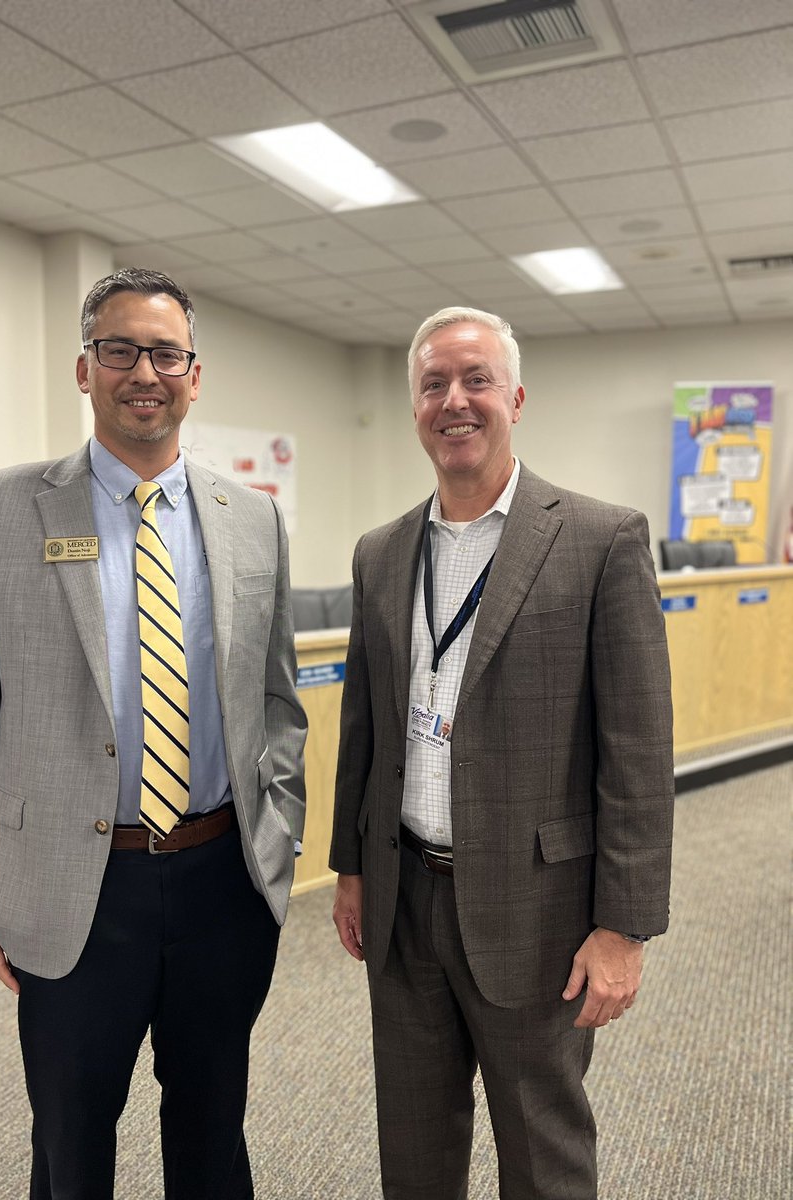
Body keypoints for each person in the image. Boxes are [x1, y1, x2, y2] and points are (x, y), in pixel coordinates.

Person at [0, 267, 307, 1200]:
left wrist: (279, 833)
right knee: (71, 1140)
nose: (146, 370)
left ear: (195, 372)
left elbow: (279, 700)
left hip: (224, 877)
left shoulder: (253, 518)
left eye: (166, 352)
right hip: (73, 884)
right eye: (120, 349)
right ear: (84, 369)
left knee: (214, 1132)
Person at [330, 307, 674, 1200]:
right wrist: (351, 868)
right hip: (405, 900)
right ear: (414, 407)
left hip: (541, 908)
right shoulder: (380, 553)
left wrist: (624, 925)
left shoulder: (602, 539)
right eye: (434, 384)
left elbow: (637, 753)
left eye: (476, 379)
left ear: (515, 397)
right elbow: (363, 733)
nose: (455, 400)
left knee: (542, 1153)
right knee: (413, 1146)